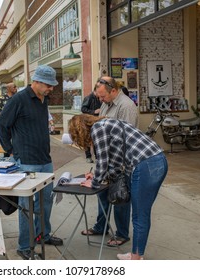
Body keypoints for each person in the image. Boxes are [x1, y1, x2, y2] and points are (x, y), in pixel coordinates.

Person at [68, 114, 168, 260]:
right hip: (155, 161)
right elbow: (113, 161)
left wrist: (94, 182)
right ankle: (136, 255)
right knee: (141, 214)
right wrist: (97, 175)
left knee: (140, 215)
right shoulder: (106, 124)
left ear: (79, 129)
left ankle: (136, 259)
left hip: (146, 164)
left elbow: (102, 161)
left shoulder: (97, 128)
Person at [0, 65, 63, 260]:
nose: (51, 89)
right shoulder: (19, 99)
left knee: (47, 200)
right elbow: (2, 124)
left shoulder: (44, 99)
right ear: (37, 81)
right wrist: (10, 150)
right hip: (26, 162)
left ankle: (43, 234)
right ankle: (24, 245)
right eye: (49, 85)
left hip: (45, 160)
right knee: (27, 205)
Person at [81, 76, 138, 249]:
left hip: (122, 161)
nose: (100, 100)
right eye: (98, 96)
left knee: (119, 197)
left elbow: (125, 138)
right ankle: (101, 226)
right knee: (102, 195)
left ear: (113, 90)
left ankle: (121, 234)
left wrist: (111, 167)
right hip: (108, 158)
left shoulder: (126, 106)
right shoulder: (106, 102)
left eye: (102, 96)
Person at [81, 85, 101, 163]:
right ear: (95, 90)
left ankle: (97, 157)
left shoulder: (99, 98)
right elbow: (83, 109)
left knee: (96, 139)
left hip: (96, 121)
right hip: (88, 122)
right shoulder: (89, 97)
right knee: (87, 139)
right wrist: (94, 111)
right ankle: (88, 156)